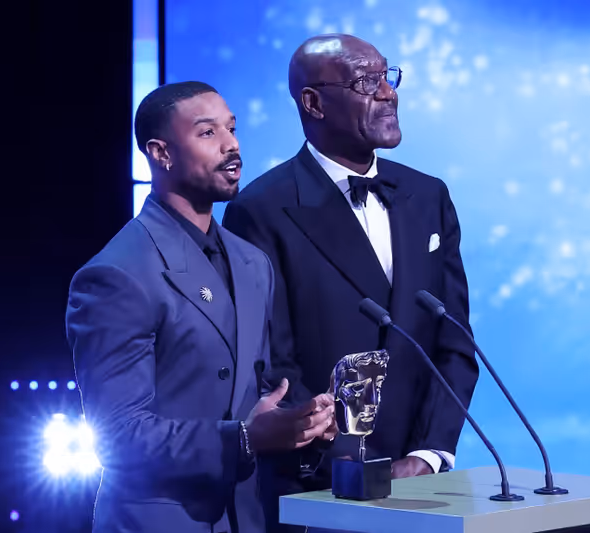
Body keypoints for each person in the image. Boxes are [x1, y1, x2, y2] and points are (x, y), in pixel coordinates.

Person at [223, 35, 479, 532]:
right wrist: (348, 462)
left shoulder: (428, 196)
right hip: (320, 490)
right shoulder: (262, 210)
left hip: (422, 490)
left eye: (388, 76)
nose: (388, 92)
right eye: (366, 82)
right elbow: (273, 362)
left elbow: (453, 341)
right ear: (313, 103)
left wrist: (428, 455)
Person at [66, 81, 334, 533]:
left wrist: (301, 424)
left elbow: (253, 392)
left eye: (232, 129)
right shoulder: (117, 274)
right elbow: (118, 437)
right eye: (208, 132)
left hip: (246, 519)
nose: (231, 145)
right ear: (161, 153)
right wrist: (244, 439)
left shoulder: (252, 262)